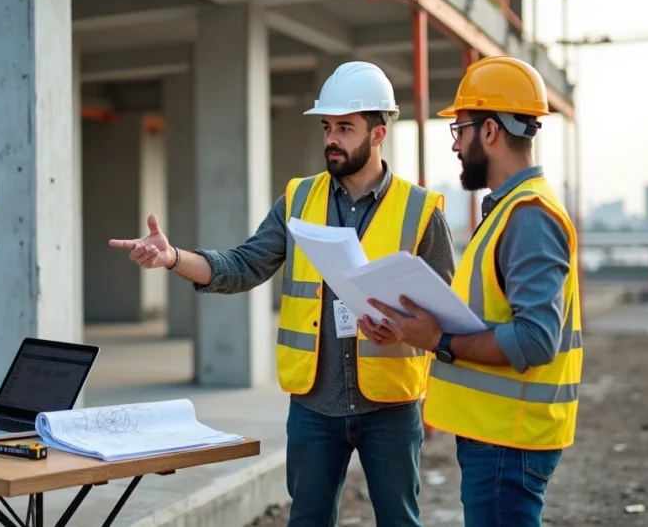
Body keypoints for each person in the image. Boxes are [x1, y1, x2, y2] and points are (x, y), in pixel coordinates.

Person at [109, 61, 456, 527]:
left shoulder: (420, 212)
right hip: (313, 407)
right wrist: (172, 256)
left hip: (390, 409)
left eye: (345, 128)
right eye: (327, 126)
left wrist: (402, 333)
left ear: (378, 134)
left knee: (400, 521)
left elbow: (444, 314)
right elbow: (243, 265)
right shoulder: (298, 200)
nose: (332, 138)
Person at [366, 56, 581, 527]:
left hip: (509, 440)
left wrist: (438, 341)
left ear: (489, 131)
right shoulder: (508, 211)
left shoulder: (528, 216)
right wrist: (415, 330)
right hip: (498, 434)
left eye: (458, 130)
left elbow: (535, 339)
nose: (455, 145)